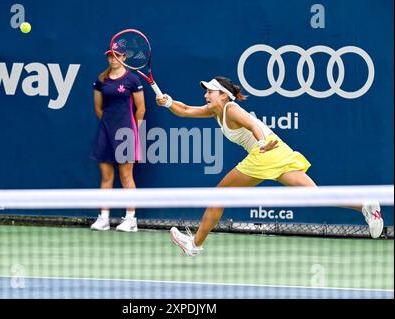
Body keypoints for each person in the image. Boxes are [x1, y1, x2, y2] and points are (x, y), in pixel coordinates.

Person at [156, 76, 384, 256]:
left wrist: (262, 143)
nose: (206, 95)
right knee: (316, 195)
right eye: (205, 91)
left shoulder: (231, 110)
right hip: (279, 151)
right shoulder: (215, 111)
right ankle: (366, 206)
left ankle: (195, 244)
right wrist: (168, 102)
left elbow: (253, 125)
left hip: (264, 153)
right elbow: (185, 110)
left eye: (210, 91)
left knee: (219, 197)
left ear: (224, 96)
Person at [89, 43, 146, 232]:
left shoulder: (133, 79)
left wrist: (134, 132)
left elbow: (141, 109)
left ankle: (130, 220)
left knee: (126, 175)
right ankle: (103, 218)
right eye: (110, 55)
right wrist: (109, 125)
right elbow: (98, 108)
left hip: (126, 132)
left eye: (116, 55)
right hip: (105, 132)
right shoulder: (101, 79)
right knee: (106, 176)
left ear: (123, 57)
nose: (113, 59)